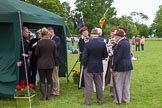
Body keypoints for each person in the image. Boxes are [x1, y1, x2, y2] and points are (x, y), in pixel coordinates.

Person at [82, 28, 108, 105]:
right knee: (99, 85)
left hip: (89, 66)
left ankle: (88, 101)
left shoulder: (87, 43)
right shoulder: (102, 44)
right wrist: (100, 59)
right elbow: (105, 55)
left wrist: (84, 65)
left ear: (91, 34)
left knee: (88, 85)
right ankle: (100, 100)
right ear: (98, 35)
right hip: (99, 66)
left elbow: (84, 57)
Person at [110, 29, 133, 104]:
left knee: (118, 84)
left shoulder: (120, 44)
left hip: (121, 66)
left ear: (118, 37)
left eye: (115, 36)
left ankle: (118, 100)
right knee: (126, 83)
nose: (114, 38)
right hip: (128, 65)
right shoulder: (126, 42)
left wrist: (113, 67)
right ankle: (126, 99)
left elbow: (117, 57)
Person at [35, 27, 57, 100]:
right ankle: (49, 96)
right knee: (49, 80)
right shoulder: (53, 42)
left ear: (41, 34)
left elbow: (36, 54)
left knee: (42, 80)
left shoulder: (39, 42)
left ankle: (43, 96)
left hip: (41, 64)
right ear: (47, 33)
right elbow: (55, 55)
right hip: (50, 64)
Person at [47, 27, 61, 96]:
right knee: (51, 76)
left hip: (55, 60)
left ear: (51, 31)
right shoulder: (51, 39)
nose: (47, 34)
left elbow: (55, 47)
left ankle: (56, 91)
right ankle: (53, 90)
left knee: (55, 76)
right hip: (51, 60)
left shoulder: (56, 38)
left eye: (48, 32)